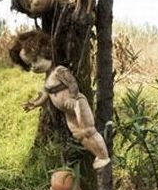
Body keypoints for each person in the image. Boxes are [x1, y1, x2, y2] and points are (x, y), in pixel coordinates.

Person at [9, 30, 110, 169]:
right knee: (79, 135)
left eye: (35, 60)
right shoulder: (48, 78)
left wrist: (73, 97)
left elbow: (73, 83)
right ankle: (97, 154)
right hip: (68, 112)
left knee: (88, 130)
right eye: (30, 64)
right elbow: (45, 94)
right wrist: (35, 104)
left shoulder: (59, 71)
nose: (34, 66)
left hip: (77, 104)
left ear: (46, 52)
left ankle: (104, 156)